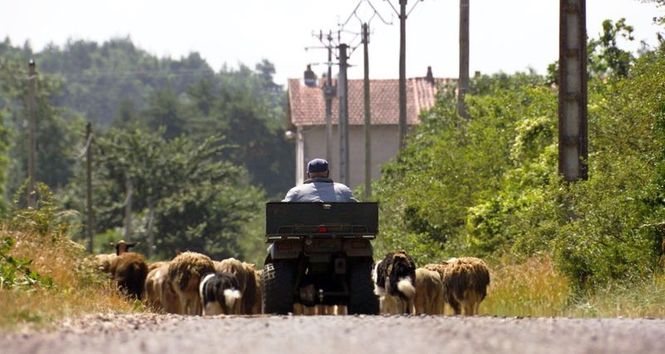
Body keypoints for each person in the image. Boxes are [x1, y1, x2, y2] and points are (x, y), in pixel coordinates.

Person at [283, 158, 358, 202]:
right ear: (328, 173)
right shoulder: (343, 190)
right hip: (340, 227)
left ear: (308, 174)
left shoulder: (296, 192)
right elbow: (358, 209)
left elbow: (280, 210)